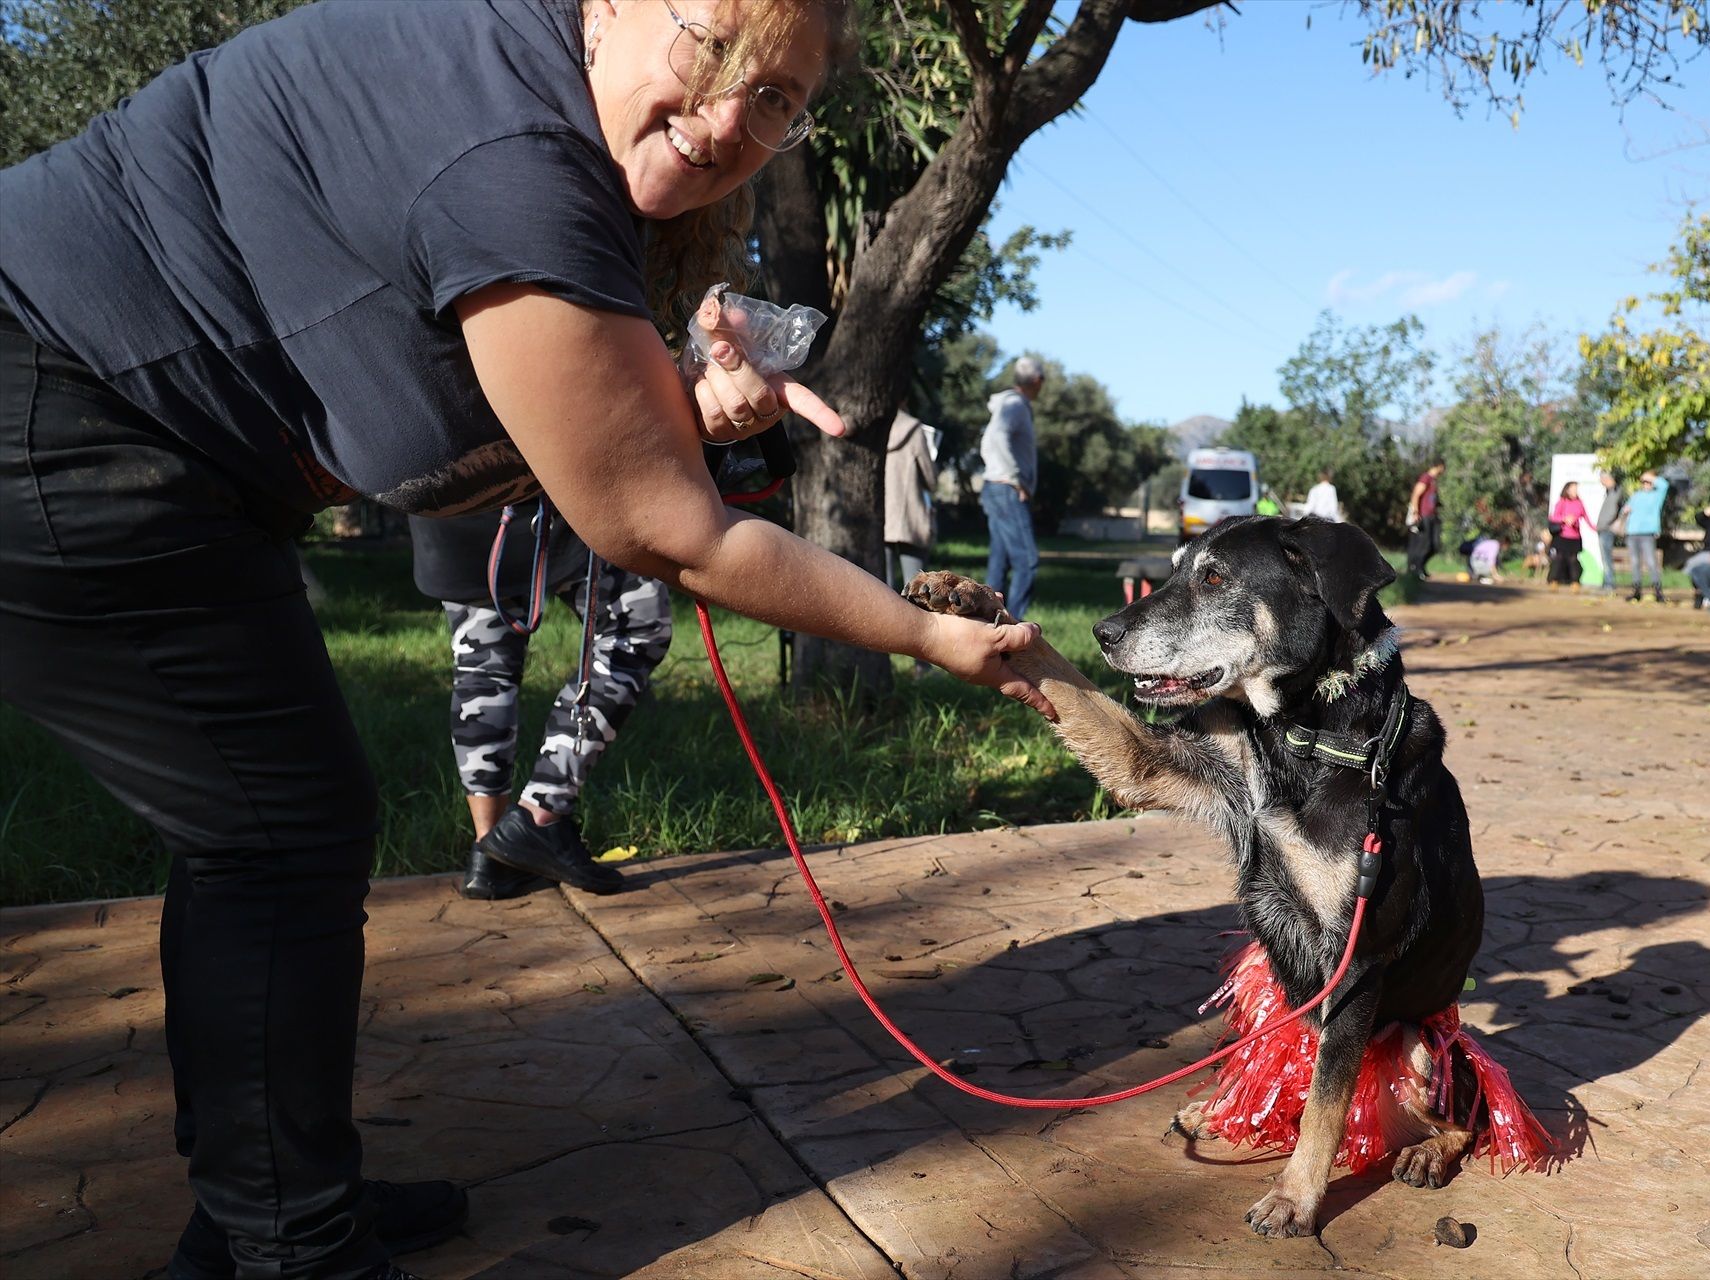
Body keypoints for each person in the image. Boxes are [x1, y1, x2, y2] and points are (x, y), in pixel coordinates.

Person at [0, 4, 1050, 1277]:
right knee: (275, 828)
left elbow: (522, 425)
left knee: (280, 823)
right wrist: (925, 629)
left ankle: (270, 1197)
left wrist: (671, 407)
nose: (728, 119)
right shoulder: (514, 157)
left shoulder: (531, 95)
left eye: (778, 99)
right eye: (710, 46)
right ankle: (288, 1238)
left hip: (154, 439)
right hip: (54, 403)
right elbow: (666, 534)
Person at [409, 511, 670, 900]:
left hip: (447, 494)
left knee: (483, 664)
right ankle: (540, 813)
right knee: (636, 627)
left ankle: (493, 853)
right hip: (544, 497)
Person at [980, 356, 1044, 619]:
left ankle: (984, 624)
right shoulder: (1015, 405)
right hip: (1006, 490)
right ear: (1037, 381)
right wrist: (1015, 478)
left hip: (995, 489)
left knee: (1000, 563)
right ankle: (1011, 627)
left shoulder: (1008, 405)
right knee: (1027, 562)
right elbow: (994, 439)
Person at [884, 403, 938, 592]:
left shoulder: (873, 426)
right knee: (916, 585)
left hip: (879, 515)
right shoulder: (913, 429)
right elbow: (931, 479)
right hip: (909, 516)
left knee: (882, 586)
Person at [1621, 470, 1671, 603]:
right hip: (1632, 532)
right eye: (1644, 482)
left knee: (1651, 562)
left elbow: (1664, 485)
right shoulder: (1636, 495)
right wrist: (1625, 511)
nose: (1646, 484)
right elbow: (1625, 509)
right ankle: (1636, 590)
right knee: (1635, 562)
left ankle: (1658, 591)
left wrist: (1650, 477)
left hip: (1647, 533)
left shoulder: (1657, 495)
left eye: (1649, 482)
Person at [1547, 481, 1596, 590]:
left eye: (1576, 489)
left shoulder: (1580, 503)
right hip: (1562, 536)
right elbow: (1553, 517)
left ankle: (1575, 582)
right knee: (1559, 558)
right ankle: (1554, 581)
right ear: (1567, 490)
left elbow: (1586, 517)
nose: (1575, 491)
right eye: (1573, 489)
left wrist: (1594, 528)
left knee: (1573, 560)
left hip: (1575, 536)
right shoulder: (1562, 502)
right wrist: (1565, 519)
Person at [1405, 459, 1445, 580]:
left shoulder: (1433, 481)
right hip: (1423, 516)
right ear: (1439, 466)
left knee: (1435, 545)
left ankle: (1420, 566)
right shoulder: (1426, 478)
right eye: (1443, 468)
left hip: (1433, 516)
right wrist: (1415, 512)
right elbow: (1416, 494)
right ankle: (1415, 569)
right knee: (1424, 544)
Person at [1592, 472, 1624, 592]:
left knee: (1606, 558)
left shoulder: (1616, 492)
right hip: (1603, 528)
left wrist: (1605, 524)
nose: (1601, 482)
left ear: (1608, 479)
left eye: (1602, 479)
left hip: (1607, 529)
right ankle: (1607, 583)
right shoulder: (1610, 492)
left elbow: (1613, 511)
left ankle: (1609, 584)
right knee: (1605, 558)